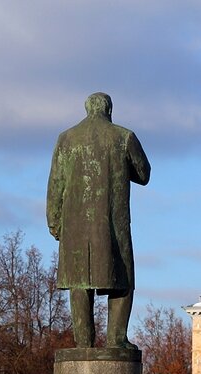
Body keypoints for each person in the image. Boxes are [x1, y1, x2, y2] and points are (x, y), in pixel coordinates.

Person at [47, 92, 151, 349]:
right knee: (122, 279)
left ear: (87, 110)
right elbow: (144, 173)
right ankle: (116, 339)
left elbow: (55, 184)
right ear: (109, 110)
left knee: (79, 283)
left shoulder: (66, 139)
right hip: (112, 226)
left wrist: (54, 221)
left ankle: (83, 343)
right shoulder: (123, 136)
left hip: (74, 229)